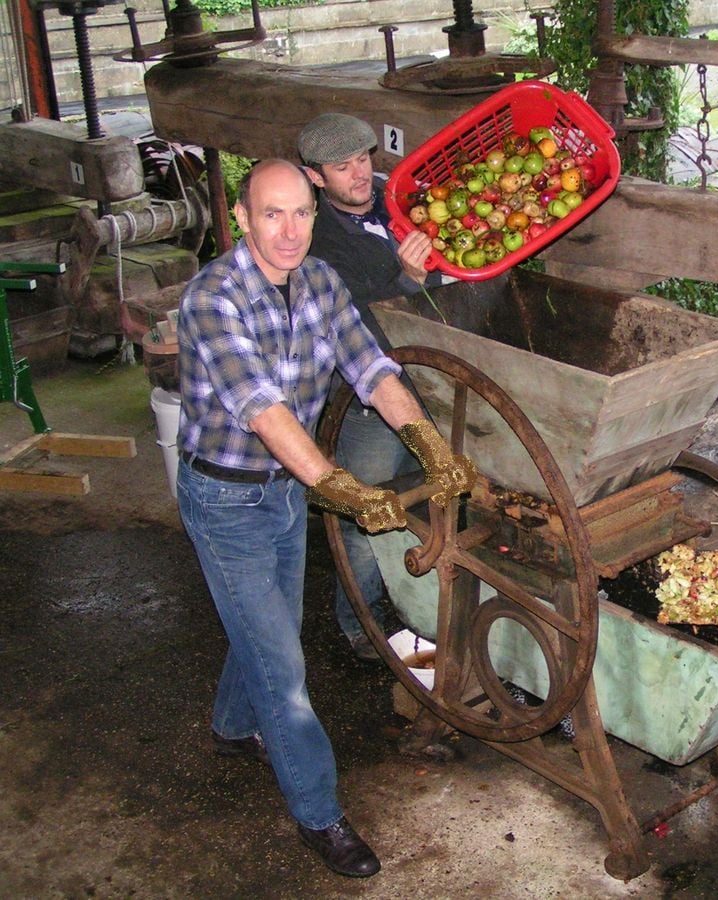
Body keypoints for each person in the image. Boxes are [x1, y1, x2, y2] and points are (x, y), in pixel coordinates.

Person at [175, 158, 474, 877]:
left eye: (302, 214)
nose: (288, 232)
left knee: (263, 621)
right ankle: (320, 813)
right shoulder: (212, 299)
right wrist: (340, 485)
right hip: (225, 498)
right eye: (271, 214)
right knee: (283, 665)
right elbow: (266, 412)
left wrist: (428, 443)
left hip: (282, 492)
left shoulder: (319, 281)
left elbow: (370, 367)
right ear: (241, 219)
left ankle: (229, 727)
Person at [297, 112, 438, 661]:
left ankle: (419, 604)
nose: (360, 174)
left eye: (364, 158)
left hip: (429, 380)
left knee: (426, 497)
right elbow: (356, 331)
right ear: (315, 177)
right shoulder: (316, 246)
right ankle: (359, 620)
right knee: (367, 511)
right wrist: (407, 283)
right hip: (366, 401)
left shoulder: (392, 196)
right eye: (342, 166)